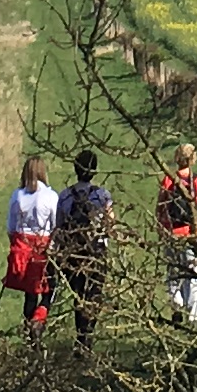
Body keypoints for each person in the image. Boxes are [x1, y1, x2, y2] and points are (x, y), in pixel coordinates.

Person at [61, 146, 117, 351]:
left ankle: (80, 336)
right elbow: (111, 224)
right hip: (96, 251)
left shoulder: (65, 196)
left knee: (78, 294)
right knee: (94, 293)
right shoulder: (102, 195)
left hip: (73, 252)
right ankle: (88, 335)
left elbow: (60, 225)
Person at [154, 141, 197, 326]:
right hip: (191, 234)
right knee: (192, 275)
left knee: (173, 272)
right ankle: (194, 316)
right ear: (193, 159)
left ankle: (176, 305)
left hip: (172, 233)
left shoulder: (169, 180)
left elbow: (160, 208)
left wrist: (161, 228)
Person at [3, 154, 63, 333]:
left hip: (22, 246)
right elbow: (56, 225)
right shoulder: (51, 196)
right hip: (43, 248)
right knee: (50, 288)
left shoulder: (17, 195)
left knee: (30, 293)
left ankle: (29, 330)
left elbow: (10, 227)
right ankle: (38, 319)